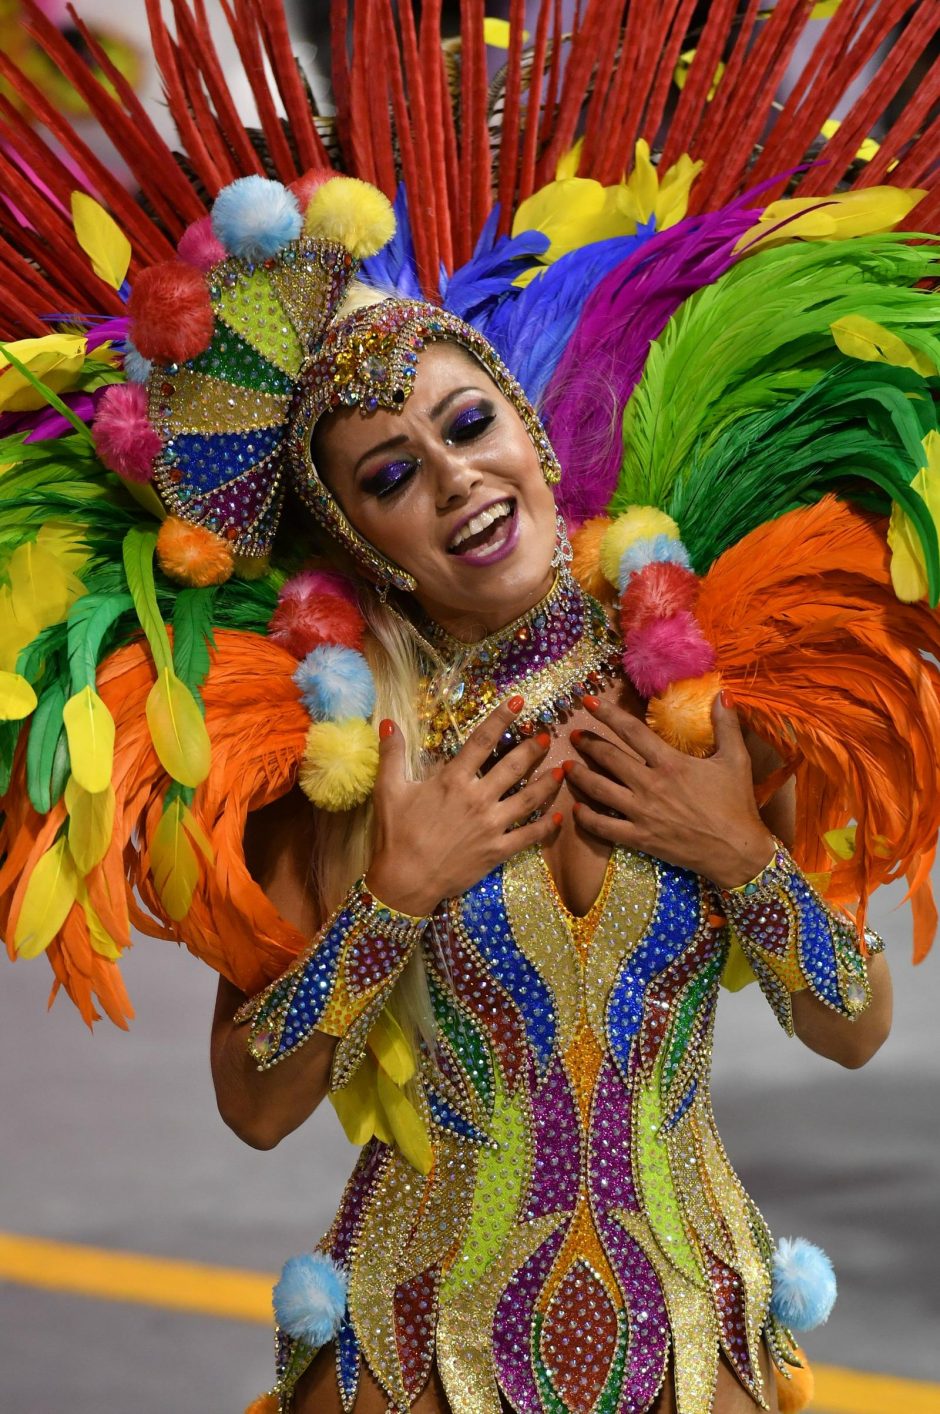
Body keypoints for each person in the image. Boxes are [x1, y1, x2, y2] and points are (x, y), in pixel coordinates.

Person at [0, 4, 937, 1414]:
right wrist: (392, 892)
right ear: (367, 539)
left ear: (532, 428)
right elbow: (255, 1105)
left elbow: (855, 1021)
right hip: (416, 1351)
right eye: (388, 475)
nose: (451, 480)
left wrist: (739, 851)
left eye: (464, 425)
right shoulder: (348, 749)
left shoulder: (694, 687)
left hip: (696, 1348)